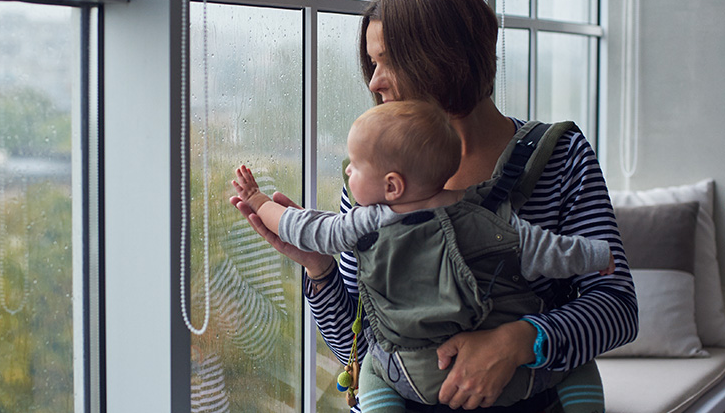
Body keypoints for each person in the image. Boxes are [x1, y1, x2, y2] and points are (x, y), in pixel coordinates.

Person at [230, 0, 637, 412]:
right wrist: (320, 270)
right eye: (372, 63)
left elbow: (617, 309)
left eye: (389, 62)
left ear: (445, 57)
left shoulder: (560, 157)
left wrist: (518, 341)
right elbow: (365, 352)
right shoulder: (375, 180)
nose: (374, 82)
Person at [231, 100, 615, 411]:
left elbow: (302, 226)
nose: (348, 173)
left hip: (414, 375)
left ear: (393, 185)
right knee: (576, 366)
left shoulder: (367, 222)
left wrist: (258, 199)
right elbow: (548, 250)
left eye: (355, 168)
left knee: (373, 374)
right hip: (524, 379)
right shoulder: (485, 215)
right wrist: (598, 255)